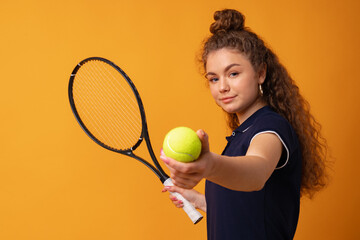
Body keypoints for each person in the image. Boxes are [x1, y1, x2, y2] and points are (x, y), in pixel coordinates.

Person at [161, 9, 329, 240]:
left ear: (260, 73)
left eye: (233, 73)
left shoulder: (271, 128)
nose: (222, 87)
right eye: (214, 78)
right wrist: (199, 200)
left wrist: (210, 166)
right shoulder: (241, 134)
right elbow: (247, 211)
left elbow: (256, 172)